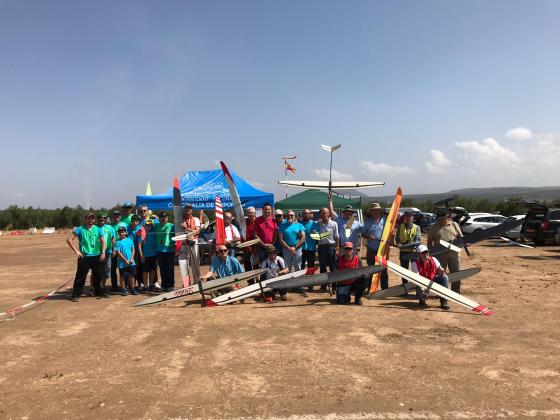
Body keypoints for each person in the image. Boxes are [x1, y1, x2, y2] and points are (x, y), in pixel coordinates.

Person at [66, 212, 106, 301]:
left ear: (94, 220)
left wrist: (103, 252)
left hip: (96, 255)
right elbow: (69, 239)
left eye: (92, 218)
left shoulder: (98, 229)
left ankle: (97, 291)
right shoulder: (80, 229)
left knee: (98, 275)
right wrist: (76, 251)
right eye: (89, 218)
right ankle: (75, 295)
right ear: (86, 219)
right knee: (80, 277)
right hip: (84, 256)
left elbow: (103, 240)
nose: (90, 220)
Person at [427, 208, 463, 293]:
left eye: (442, 219)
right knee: (440, 275)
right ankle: (441, 293)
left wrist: (465, 243)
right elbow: (429, 242)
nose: (440, 221)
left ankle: (455, 292)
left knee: (456, 273)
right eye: (438, 219)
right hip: (439, 256)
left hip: (454, 255)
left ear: (447, 216)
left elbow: (461, 238)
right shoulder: (433, 227)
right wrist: (431, 254)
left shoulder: (454, 225)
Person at [411, 245, 450, 310]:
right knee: (419, 288)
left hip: (432, 281)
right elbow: (417, 278)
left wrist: (441, 271)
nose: (426, 254)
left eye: (427, 252)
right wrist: (421, 288)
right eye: (423, 252)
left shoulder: (434, 259)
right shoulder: (414, 263)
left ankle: (444, 301)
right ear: (419, 254)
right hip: (422, 282)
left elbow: (440, 271)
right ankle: (422, 299)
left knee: (445, 278)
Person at [362, 203, 389, 290]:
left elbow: (391, 231)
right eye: (374, 210)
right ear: (371, 212)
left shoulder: (386, 221)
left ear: (380, 211)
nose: (376, 212)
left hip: (383, 249)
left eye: (377, 210)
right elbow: (363, 234)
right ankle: (370, 289)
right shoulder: (367, 222)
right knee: (371, 269)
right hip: (371, 249)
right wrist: (369, 236)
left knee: (383, 269)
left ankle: (385, 289)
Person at [396, 210, 422, 289]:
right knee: (404, 271)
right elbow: (397, 239)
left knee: (416, 271)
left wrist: (405, 246)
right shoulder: (400, 227)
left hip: (413, 253)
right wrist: (398, 244)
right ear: (404, 217)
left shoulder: (417, 227)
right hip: (403, 253)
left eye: (410, 216)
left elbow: (417, 241)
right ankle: (405, 288)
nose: (408, 218)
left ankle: (417, 287)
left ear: (412, 217)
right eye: (407, 216)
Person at [316, 207, 339, 292]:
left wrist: (337, 247)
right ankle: (323, 286)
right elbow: (316, 236)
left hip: (331, 247)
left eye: (326, 213)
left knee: (332, 267)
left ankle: (334, 286)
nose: (325, 215)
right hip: (321, 247)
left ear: (329, 214)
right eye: (323, 213)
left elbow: (336, 236)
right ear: (320, 214)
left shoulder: (334, 223)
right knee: (322, 267)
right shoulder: (318, 223)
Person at [155, 211, 176, 292]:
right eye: (161, 217)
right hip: (159, 250)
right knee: (162, 268)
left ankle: (171, 285)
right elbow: (148, 222)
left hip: (169, 250)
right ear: (159, 218)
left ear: (167, 218)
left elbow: (178, 234)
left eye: (165, 217)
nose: (163, 219)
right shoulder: (156, 225)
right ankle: (164, 285)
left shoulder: (172, 226)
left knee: (170, 268)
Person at [114, 226, 138, 296]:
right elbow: (118, 252)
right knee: (122, 276)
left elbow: (133, 249)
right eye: (120, 232)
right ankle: (123, 289)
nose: (121, 234)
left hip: (131, 262)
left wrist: (132, 258)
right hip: (122, 263)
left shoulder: (129, 240)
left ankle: (132, 289)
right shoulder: (117, 242)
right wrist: (125, 260)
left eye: (123, 232)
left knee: (132, 276)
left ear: (126, 233)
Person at [180, 203, 201, 272]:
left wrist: (186, 228)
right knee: (185, 262)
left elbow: (197, 231)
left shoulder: (196, 219)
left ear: (192, 210)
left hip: (193, 241)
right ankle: (186, 278)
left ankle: (196, 278)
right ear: (184, 209)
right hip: (184, 242)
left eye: (190, 208)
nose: (188, 209)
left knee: (195, 261)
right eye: (187, 208)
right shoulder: (181, 219)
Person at [138, 218, 158, 292]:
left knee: (152, 270)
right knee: (145, 271)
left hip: (153, 255)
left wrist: (155, 218)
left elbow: (157, 222)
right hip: (145, 256)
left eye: (150, 225)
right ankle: (145, 286)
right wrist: (141, 256)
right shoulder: (142, 233)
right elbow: (139, 245)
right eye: (147, 225)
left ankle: (151, 285)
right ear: (144, 225)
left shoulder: (154, 232)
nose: (149, 226)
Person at [110, 210, 127, 291]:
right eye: (115, 215)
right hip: (113, 249)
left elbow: (127, 235)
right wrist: (113, 249)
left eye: (118, 215)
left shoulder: (125, 224)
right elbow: (111, 238)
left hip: (123, 248)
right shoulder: (110, 226)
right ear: (112, 217)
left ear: (120, 216)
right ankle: (114, 285)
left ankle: (125, 285)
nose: (116, 217)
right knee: (113, 268)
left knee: (123, 266)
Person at [97, 213, 115, 292]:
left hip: (107, 251)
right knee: (96, 269)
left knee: (106, 269)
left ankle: (103, 285)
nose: (102, 219)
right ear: (98, 219)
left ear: (106, 219)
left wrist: (114, 249)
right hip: (96, 252)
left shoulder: (110, 228)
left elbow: (113, 238)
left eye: (104, 218)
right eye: (100, 217)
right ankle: (94, 286)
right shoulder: (95, 228)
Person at [242, 206, 259, 273]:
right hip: (245, 246)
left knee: (256, 264)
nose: (249, 214)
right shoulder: (244, 222)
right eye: (248, 213)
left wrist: (255, 248)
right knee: (247, 264)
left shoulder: (258, 221)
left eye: (251, 213)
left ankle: (257, 278)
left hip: (255, 246)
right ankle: (250, 279)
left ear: (254, 213)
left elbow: (258, 235)